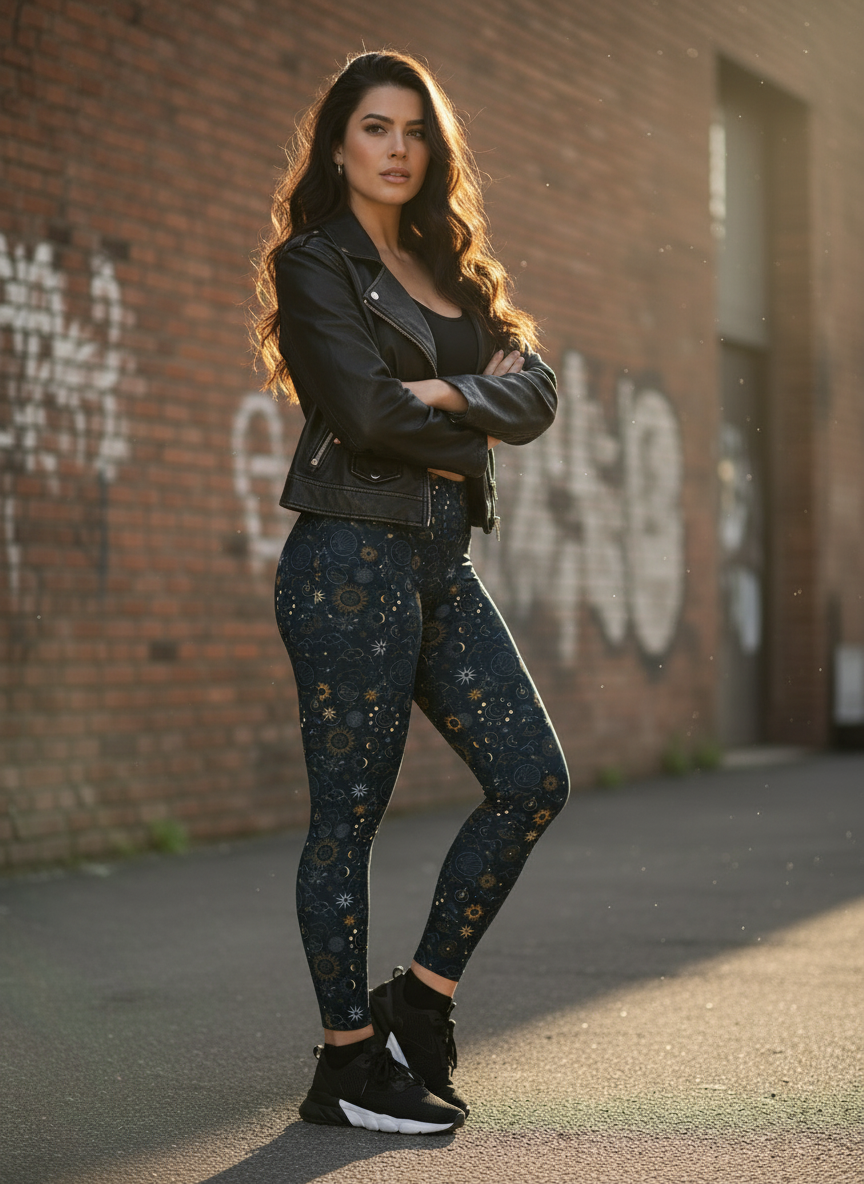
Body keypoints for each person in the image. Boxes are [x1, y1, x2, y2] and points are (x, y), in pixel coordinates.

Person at [253, 50, 569, 1136]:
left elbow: (539, 392)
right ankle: (346, 1061)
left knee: (530, 779)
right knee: (348, 817)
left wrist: (438, 388)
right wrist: (466, 408)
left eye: (415, 130)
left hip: (440, 561)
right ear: (338, 145)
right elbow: (365, 415)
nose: (397, 148)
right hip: (351, 562)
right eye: (376, 128)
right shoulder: (315, 263)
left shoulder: (449, 266)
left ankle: (419, 1002)